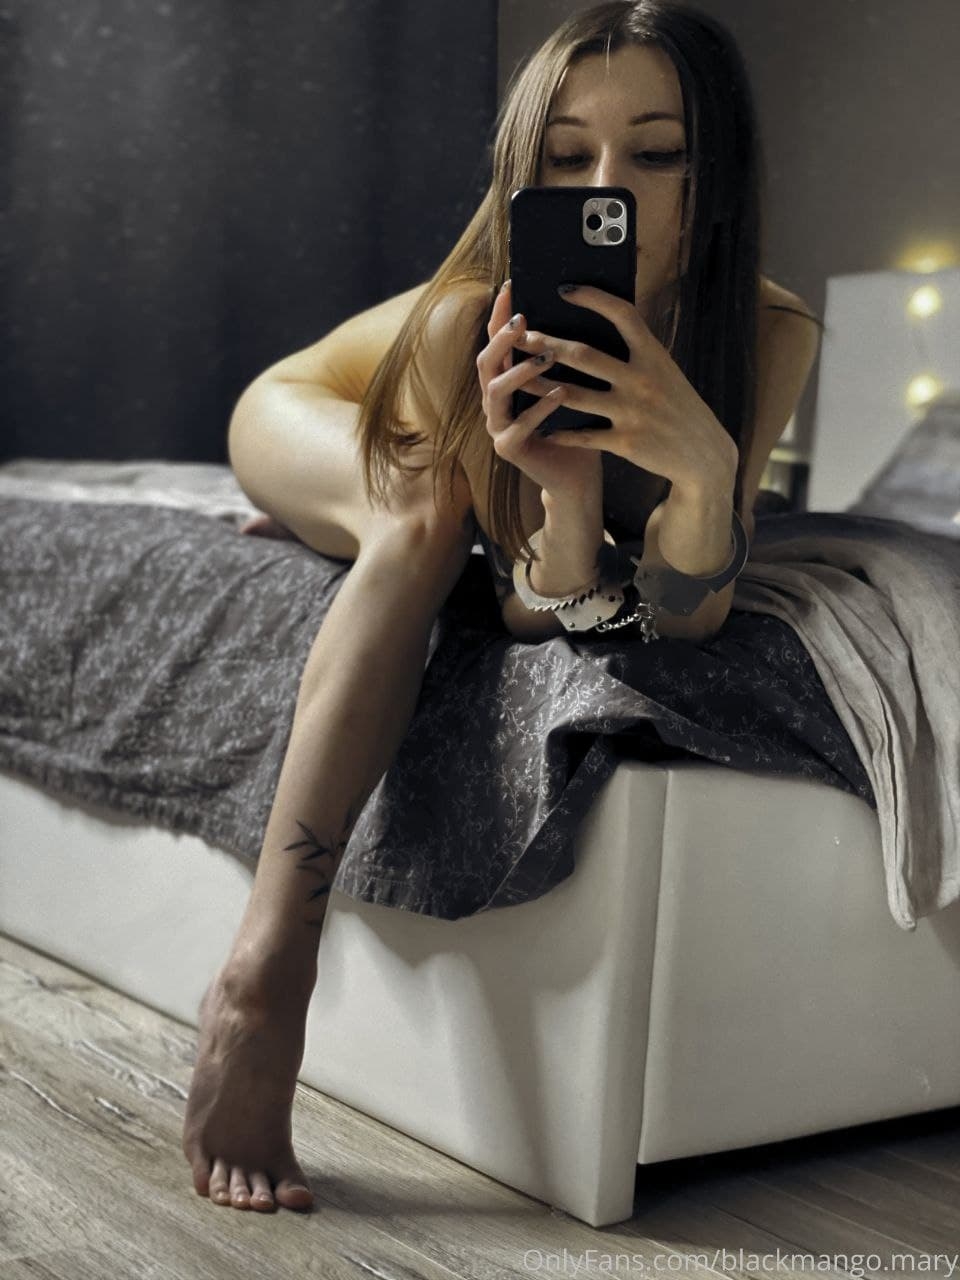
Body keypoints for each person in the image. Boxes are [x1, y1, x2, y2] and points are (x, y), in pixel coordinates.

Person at [182, 0, 823, 1214]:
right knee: (424, 514)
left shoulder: (769, 332)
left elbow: (685, 615)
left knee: (439, 504)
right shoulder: (466, 321)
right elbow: (533, 612)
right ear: (526, 173)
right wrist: (559, 504)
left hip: (477, 454)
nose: (607, 187)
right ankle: (264, 973)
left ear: (715, 177)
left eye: (656, 151)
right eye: (567, 156)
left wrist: (697, 471)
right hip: (304, 406)